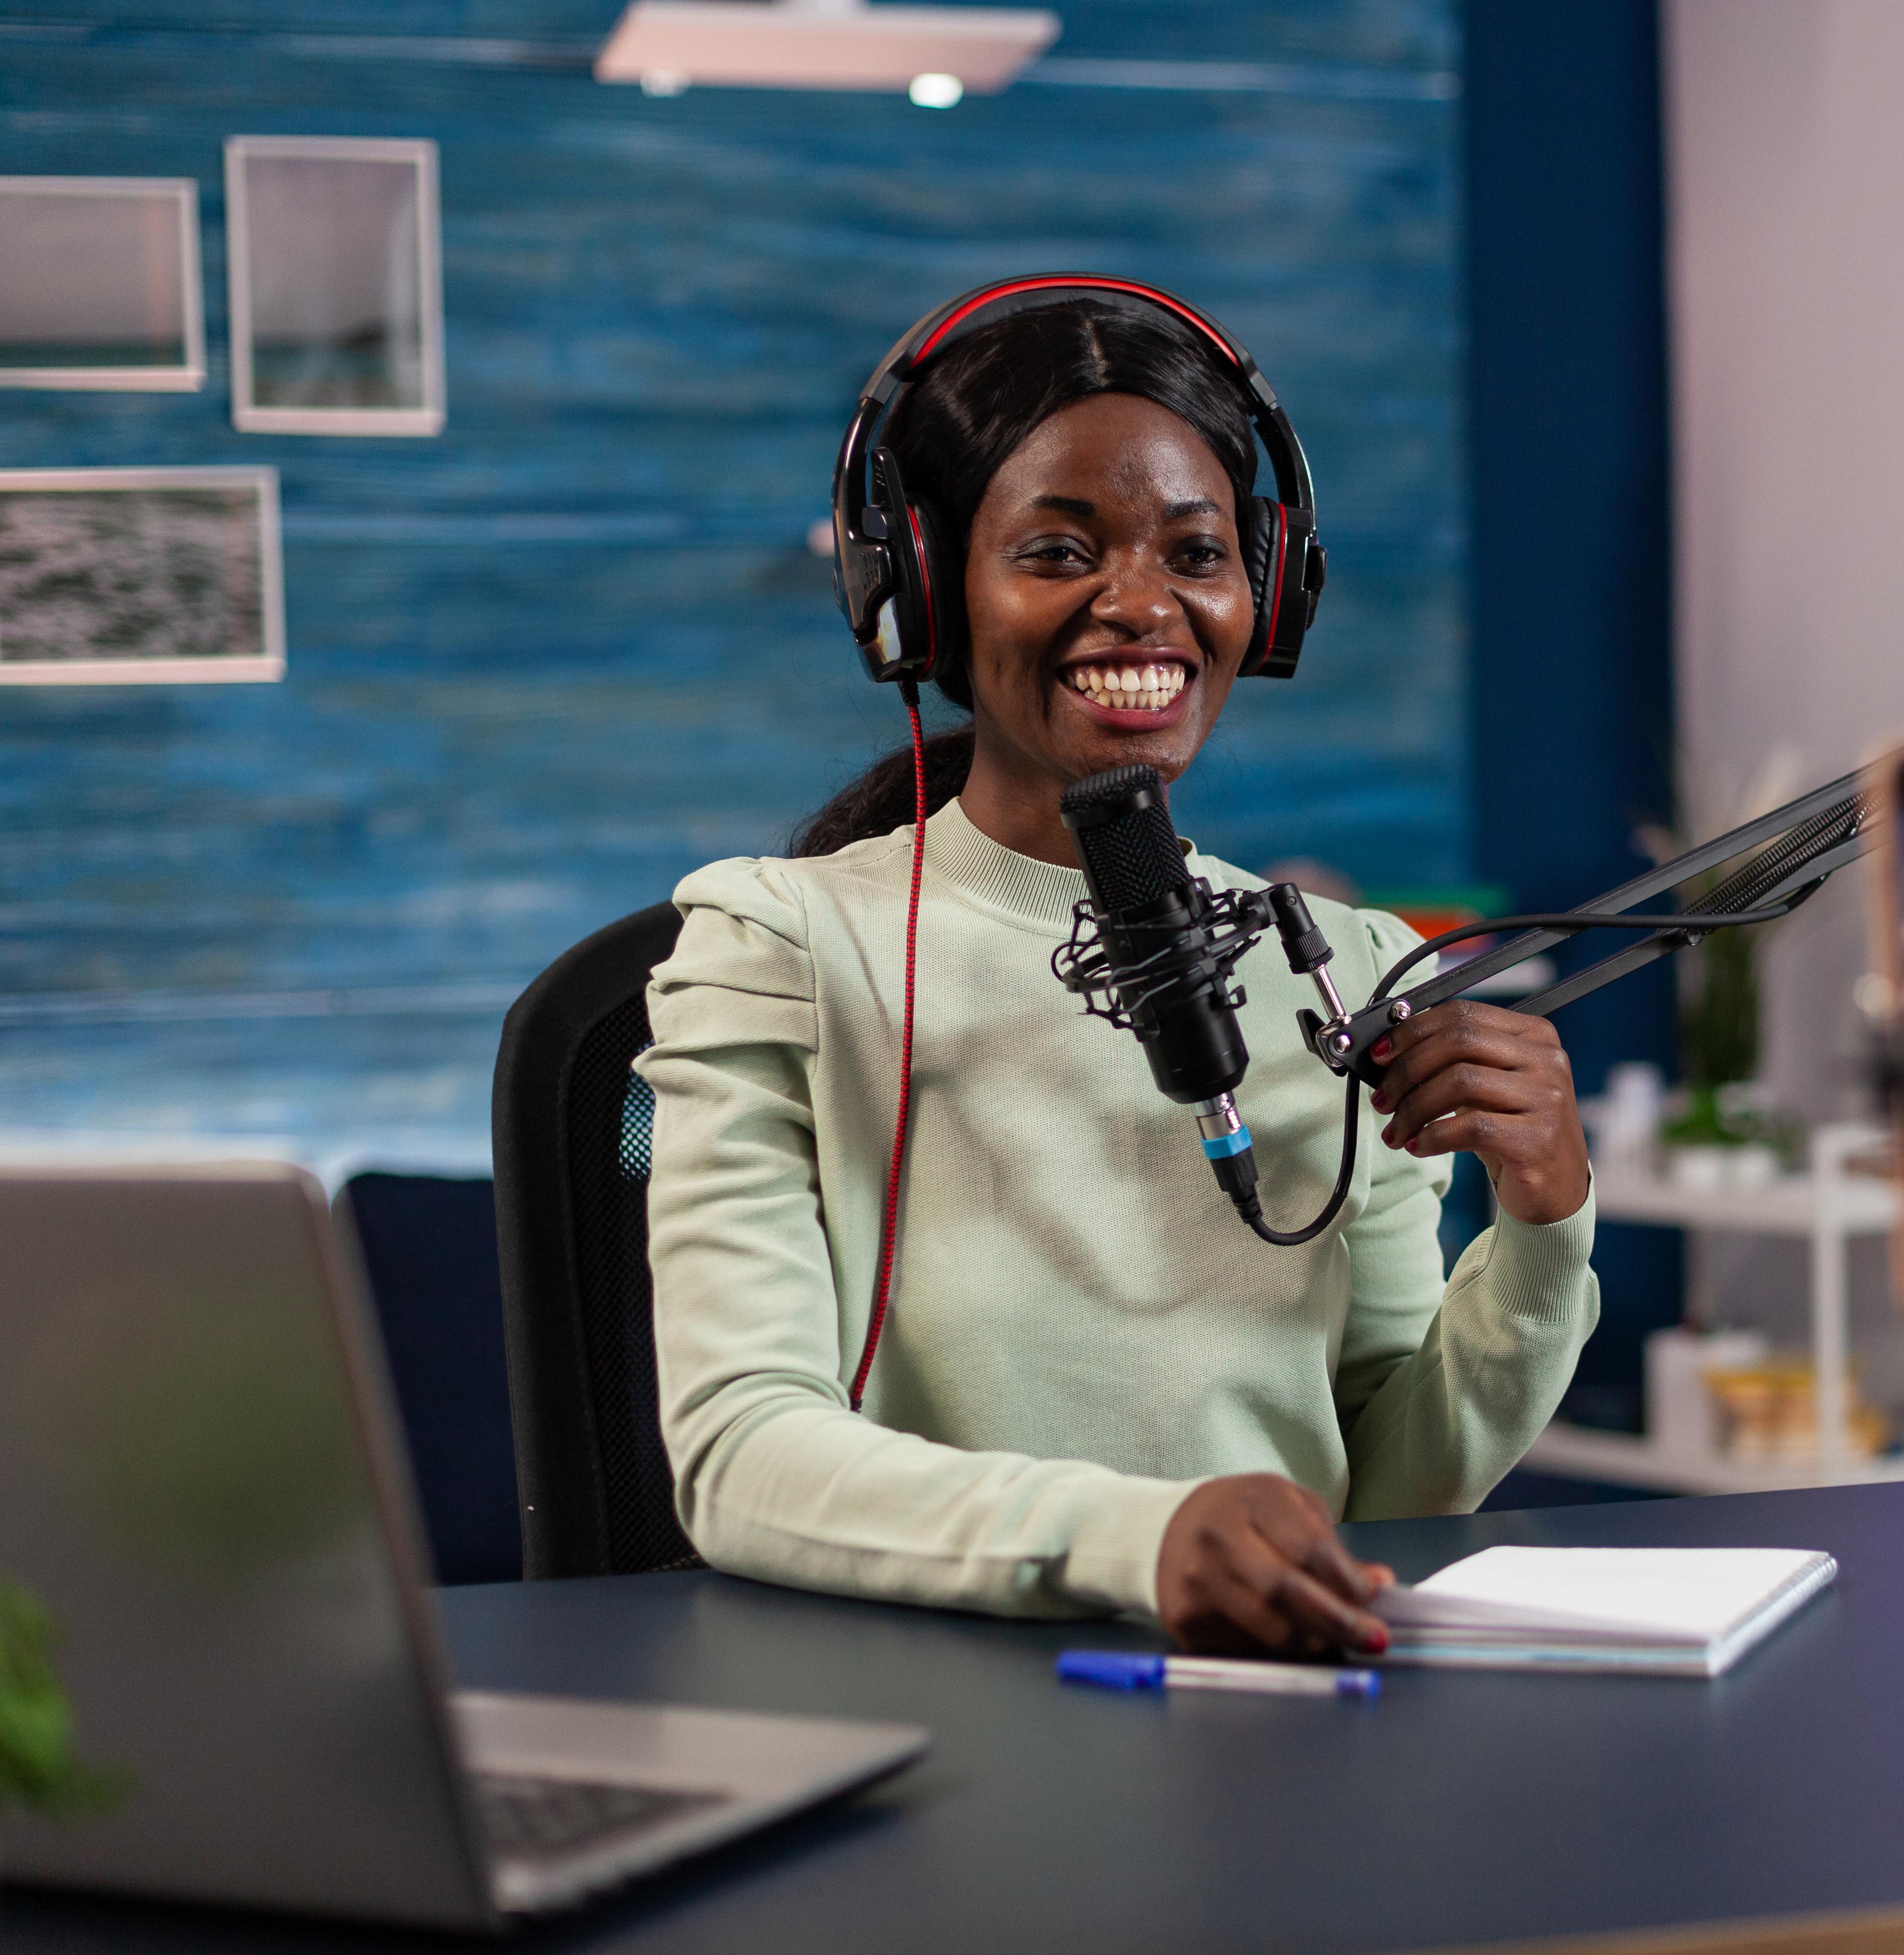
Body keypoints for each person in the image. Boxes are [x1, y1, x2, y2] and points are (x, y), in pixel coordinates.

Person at [638, 296, 1598, 1660]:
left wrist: (1547, 1227)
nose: (1143, 604)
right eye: (1056, 551)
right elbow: (740, 1456)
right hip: (935, 1727)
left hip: (1278, 1717)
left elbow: (1392, 1495)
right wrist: (1135, 1543)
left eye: (1196, 553)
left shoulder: (1356, 972)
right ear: (923, 592)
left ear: (1263, 591)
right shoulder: (779, 949)